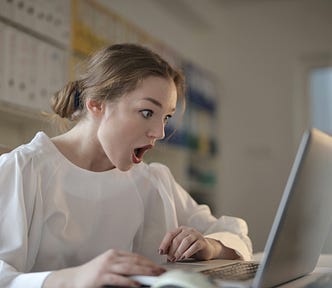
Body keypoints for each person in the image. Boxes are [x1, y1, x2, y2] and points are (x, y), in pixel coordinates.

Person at [0, 43, 252, 288]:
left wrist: (210, 246)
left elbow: (234, 234)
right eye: (146, 112)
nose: (160, 132)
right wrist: (73, 279)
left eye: (166, 117)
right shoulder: (22, 170)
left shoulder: (153, 180)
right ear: (96, 104)